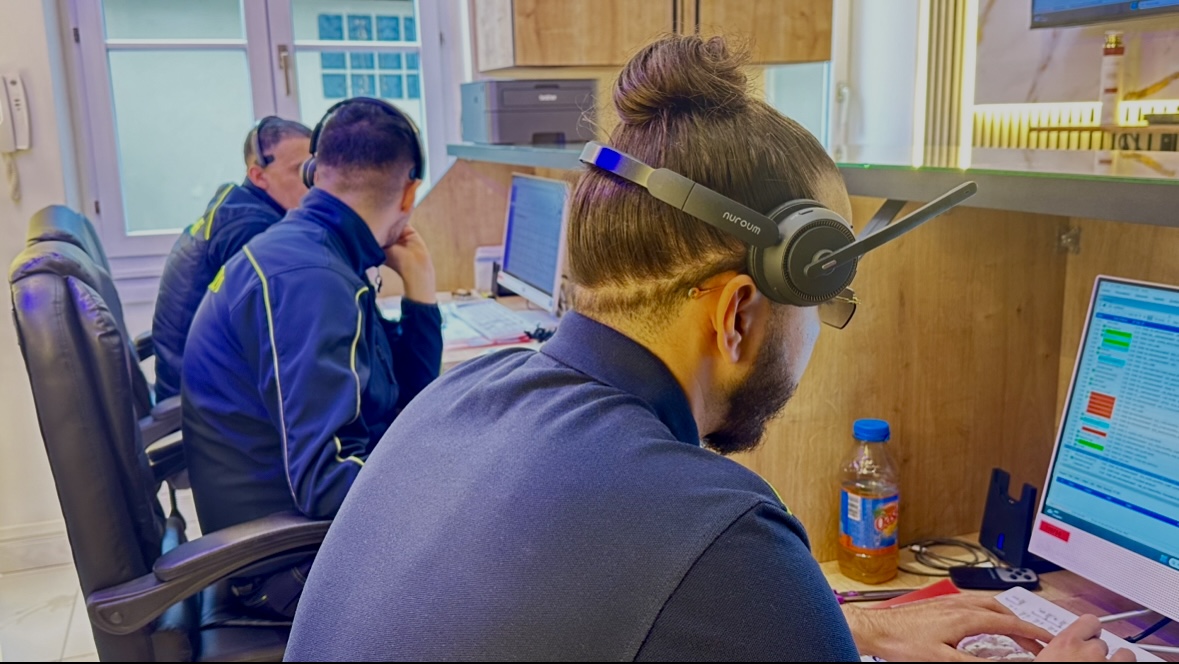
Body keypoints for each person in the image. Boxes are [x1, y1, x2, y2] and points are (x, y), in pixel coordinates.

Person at [285, 37, 1133, 662]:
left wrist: (842, 623)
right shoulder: (719, 532)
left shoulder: (457, 398)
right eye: (819, 306)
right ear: (737, 315)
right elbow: (697, 579)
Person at [181, 98, 442, 618]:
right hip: (289, 565)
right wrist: (448, 495)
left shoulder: (317, 254)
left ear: (313, 171)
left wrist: (421, 292)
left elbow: (405, 403)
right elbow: (327, 481)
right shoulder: (311, 280)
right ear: (411, 192)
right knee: (510, 558)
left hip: (300, 538)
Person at [152, 117, 312, 401]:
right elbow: (278, 338)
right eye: (300, 170)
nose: (313, 182)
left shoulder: (237, 208)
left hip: (194, 383)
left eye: (315, 169)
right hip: (204, 400)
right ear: (258, 176)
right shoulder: (251, 231)